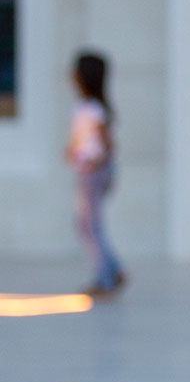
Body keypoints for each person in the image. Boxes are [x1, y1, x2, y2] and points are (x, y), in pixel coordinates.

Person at [66, 52, 125, 298]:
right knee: (86, 224)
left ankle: (106, 278)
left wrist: (95, 162)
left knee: (90, 225)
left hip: (93, 172)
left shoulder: (94, 109)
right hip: (87, 170)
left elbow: (106, 145)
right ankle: (112, 269)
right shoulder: (85, 108)